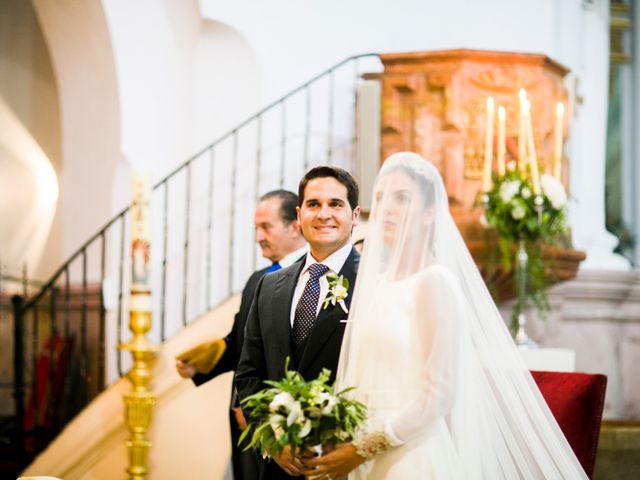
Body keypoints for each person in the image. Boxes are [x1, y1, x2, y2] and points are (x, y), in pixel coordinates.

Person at [304, 152, 587, 479]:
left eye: (402, 198)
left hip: (408, 457)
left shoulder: (434, 283)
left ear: (429, 213)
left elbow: (438, 397)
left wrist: (363, 448)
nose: (387, 209)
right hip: (359, 457)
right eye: (380, 198)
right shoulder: (376, 285)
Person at [235, 166, 361, 479]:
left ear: (354, 215)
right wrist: (274, 438)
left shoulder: (374, 282)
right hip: (280, 466)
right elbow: (249, 373)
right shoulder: (270, 286)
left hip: (343, 463)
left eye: (335, 204)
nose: (324, 214)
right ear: (299, 213)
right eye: (314, 204)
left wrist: (352, 445)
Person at [176, 190, 307, 480]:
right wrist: (202, 364)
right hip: (241, 419)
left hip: (283, 423)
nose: (259, 236)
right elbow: (241, 343)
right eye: (256, 228)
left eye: (266, 227)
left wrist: (258, 411)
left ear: (294, 226)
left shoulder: (310, 279)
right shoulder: (256, 280)